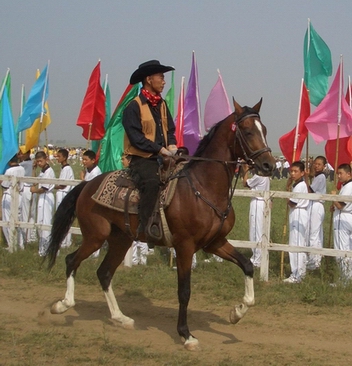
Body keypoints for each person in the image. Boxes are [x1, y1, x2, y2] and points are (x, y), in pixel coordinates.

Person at [122, 60, 177, 244]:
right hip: (141, 159)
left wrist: (172, 145)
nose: (164, 81)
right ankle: (145, 228)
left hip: (163, 157)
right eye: (161, 77)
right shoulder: (133, 106)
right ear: (148, 79)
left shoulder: (162, 104)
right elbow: (136, 137)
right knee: (152, 183)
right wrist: (159, 149)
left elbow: (170, 129)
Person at [283, 161, 309, 283]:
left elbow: (292, 203)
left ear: (302, 173)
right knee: (298, 242)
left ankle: (296, 274)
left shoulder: (300, 186)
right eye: (291, 171)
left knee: (296, 243)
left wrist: (286, 192)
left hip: (298, 212)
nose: (293, 174)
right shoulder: (297, 185)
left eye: (295, 171)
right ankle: (300, 272)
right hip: (297, 212)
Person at [242, 164, 270, 268]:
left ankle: (257, 258)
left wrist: (245, 171)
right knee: (261, 229)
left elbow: (245, 183)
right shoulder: (266, 177)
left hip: (258, 203)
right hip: (263, 202)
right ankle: (260, 256)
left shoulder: (259, 177)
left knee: (255, 230)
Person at [30, 151, 55, 256]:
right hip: (41, 198)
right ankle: (42, 249)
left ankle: (45, 249)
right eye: (38, 161)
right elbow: (35, 181)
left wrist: (34, 191)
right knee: (40, 222)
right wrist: (34, 169)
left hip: (46, 196)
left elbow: (44, 188)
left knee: (45, 222)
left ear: (46, 159)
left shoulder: (49, 171)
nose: (39, 163)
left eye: (41, 161)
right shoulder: (42, 171)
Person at [331, 163, 352, 282]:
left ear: (348, 174)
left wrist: (333, 197)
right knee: (348, 247)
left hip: (343, 219)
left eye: (341, 173)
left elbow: (340, 205)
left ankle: (344, 279)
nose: (338, 176)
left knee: (341, 249)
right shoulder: (346, 186)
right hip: (348, 216)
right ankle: (347, 277)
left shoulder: (348, 187)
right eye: (338, 173)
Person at [306, 156, 327, 270]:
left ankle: (314, 260)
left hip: (317, 204)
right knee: (316, 232)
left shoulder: (321, 177)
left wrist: (305, 179)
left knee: (314, 232)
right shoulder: (316, 176)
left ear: (324, 166)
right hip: (314, 204)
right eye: (315, 164)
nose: (316, 166)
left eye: (319, 164)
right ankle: (316, 259)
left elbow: (310, 190)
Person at [1, 155, 25, 250]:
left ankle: (11, 244)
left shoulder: (9, 171)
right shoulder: (22, 169)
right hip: (19, 196)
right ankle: (20, 244)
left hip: (9, 195)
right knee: (18, 220)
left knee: (7, 221)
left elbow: (5, 185)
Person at [80, 149, 102, 258]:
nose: (84, 162)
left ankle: (95, 253)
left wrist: (83, 180)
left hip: (94, 202)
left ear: (93, 160)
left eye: (86, 159)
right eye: (83, 159)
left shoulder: (96, 172)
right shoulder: (88, 171)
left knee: (95, 228)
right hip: (87, 202)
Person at [54, 148, 75, 248]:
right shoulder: (63, 168)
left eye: (59, 156)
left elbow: (63, 185)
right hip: (61, 194)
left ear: (65, 157)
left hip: (64, 194)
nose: (57, 158)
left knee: (65, 218)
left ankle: (66, 241)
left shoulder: (67, 169)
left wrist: (52, 186)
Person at [18, 149, 37, 243]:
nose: (20, 155)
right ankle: (31, 236)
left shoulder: (23, 164)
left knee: (25, 214)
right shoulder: (32, 163)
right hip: (32, 188)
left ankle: (24, 236)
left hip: (27, 188)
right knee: (32, 214)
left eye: (22, 153)